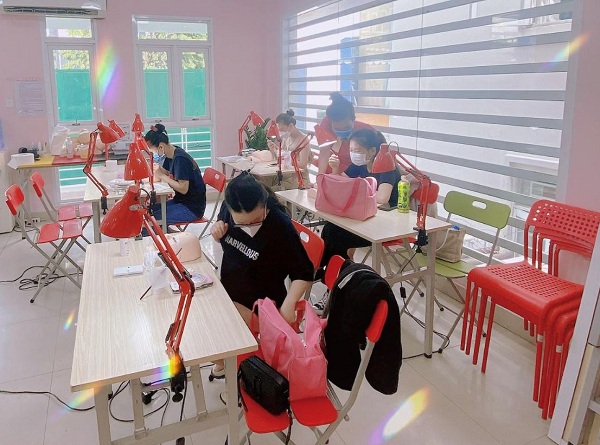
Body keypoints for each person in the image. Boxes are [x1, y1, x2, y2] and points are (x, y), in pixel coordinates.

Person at [209, 172, 314, 379]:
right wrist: (217, 230)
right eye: (242, 223)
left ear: (265, 205)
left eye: (256, 220)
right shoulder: (229, 209)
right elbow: (224, 232)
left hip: (262, 305)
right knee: (202, 320)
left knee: (210, 338)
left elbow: (304, 272)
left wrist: (289, 304)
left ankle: (243, 364)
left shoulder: (279, 224)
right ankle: (233, 360)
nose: (249, 227)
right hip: (231, 289)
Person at [320, 129, 401, 268]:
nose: (353, 154)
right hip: (365, 217)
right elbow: (341, 185)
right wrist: (335, 168)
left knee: (335, 235)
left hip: (385, 224)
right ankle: (332, 269)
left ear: (372, 151)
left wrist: (357, 191)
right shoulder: (360, 165)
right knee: (330, 228)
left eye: (357, 151)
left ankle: (337, 270)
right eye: (351, 150)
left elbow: (382, 198)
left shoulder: (386, 168)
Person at [144, 124, 207, 225]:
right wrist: (144, 180)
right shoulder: (171, 154)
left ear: (161, 146)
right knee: (148, 211)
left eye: (153, 150)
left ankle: (164, 234)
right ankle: (165, 232)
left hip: (192, 208)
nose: (153, 153)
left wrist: (163, 176)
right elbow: (161, 173)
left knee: (152, 219)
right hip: (180, 201)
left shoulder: (180, 159)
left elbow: (183, 188)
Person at [317, 92, 375, 175]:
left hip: (357, 173)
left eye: (346, 127)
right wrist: (320, 177)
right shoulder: (326, 123)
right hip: (336, 171)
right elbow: (324, 152)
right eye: (337, 128)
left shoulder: (366, 131)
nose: (342, 131)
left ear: (353, 119)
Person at [266, 109, 312, 189]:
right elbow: (281, 158)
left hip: (299, 177)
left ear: (290, 126)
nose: (281, 133)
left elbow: (303, 165)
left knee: (271, 191)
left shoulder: (303, 140)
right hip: (287, 174)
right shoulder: (286, 138)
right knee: (264, 184)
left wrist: (287, 158)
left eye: (282, 130)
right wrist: (274, 149)